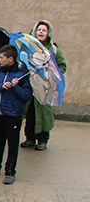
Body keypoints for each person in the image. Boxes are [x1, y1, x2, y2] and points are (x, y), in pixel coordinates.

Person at [0, 45, 32, 185]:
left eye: (1, 58)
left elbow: (27, 96)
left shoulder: (22, 74)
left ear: (10, 59)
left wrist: (16, 87)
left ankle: (10, 171)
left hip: (13, 114)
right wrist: (1, 87)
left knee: (12, 143)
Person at [22, 20, 67, 151]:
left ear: (48, 33)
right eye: (39, 29)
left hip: (46, 87)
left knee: (44, 114)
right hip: (31, 85)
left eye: (43, 30)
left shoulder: (53, 49)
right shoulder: (28, 47)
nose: (41, 32)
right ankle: (30, 138)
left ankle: (43, 139)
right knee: (30, 113)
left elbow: (62, 66)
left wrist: (51, 74)